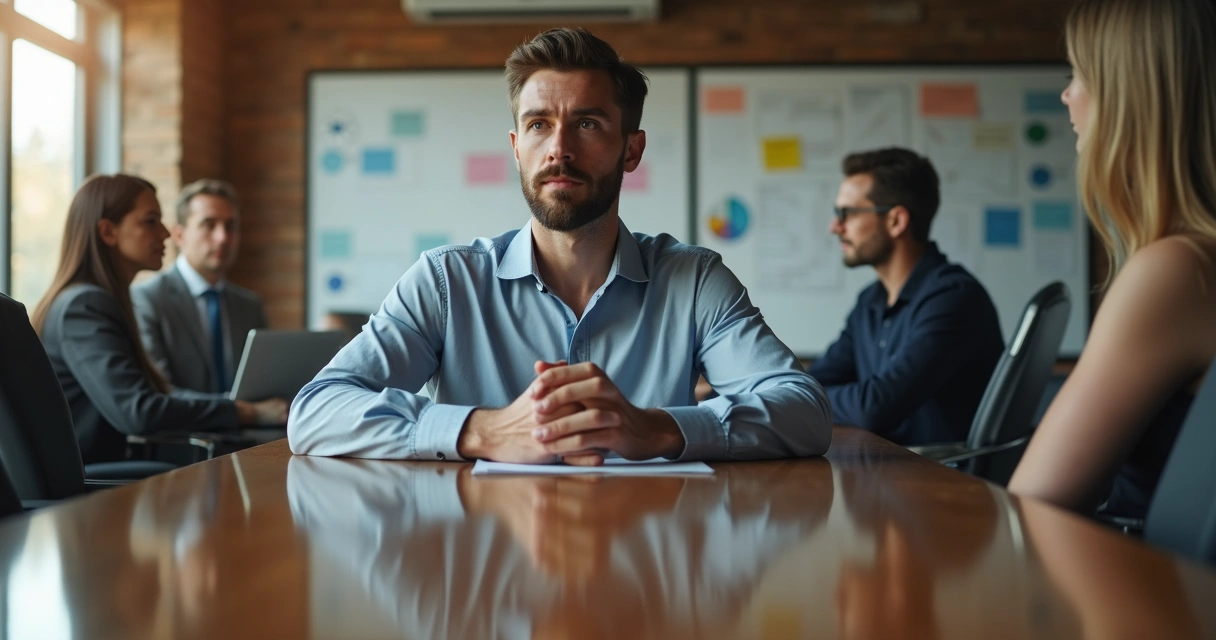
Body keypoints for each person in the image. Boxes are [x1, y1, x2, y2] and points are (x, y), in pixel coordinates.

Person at [288, 27, 831, 464]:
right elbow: (315, 410)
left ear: (631, 150)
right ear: (516, 148)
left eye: (587, 124)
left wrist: (657, 428)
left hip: (645, 552)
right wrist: (484, 430)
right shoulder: (446, 282)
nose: (559, 149)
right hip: (483, 552)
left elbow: (804, 410)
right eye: (538, 125)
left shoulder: (694, 281)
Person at [1009, 0, 1216, 520]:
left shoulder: (1177, 269)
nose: (1066, 95)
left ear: (1130, 96)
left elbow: (1033, 506)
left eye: (1078, 74)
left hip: (1142, 573)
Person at [31, 174, 286, 465]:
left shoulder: (100, 301)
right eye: (151, 221)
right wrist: (245, 412)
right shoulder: (85, 305)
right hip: (91, 480)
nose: (165, 233)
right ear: (108, 232)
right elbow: (138, 411)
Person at [807, 148, 1003, 445]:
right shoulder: (870, 301)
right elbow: (816, 379)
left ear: (896, 221)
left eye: (847, 213)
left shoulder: (954, 298)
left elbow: (874, 408)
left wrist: (806, 398)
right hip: (883, 465)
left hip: (940, 472)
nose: (835, 227)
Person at [132, 179, 268, 393]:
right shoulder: (147, 300)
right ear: (179, 235)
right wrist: (241, 409)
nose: (223, 238)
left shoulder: (250, 306)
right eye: (208, 225)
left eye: (230, 226)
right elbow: (160, 392)